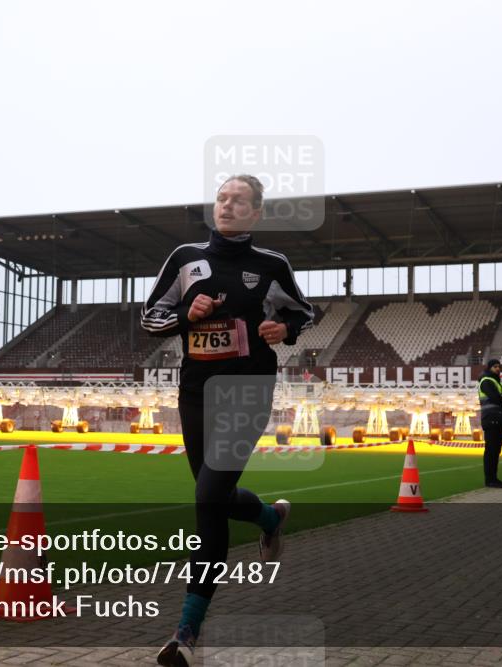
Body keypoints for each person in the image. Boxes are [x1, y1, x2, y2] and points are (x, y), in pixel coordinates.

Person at [141, 174, 314, 666]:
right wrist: (184, 315)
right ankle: (269, 517)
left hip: (248, 391)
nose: (227, 206)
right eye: (221, 198)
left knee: (207, 499)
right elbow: (149, 317)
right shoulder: (185, 259)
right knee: (213, 496)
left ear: (256, 213)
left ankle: (186, 634)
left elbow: (304, 311)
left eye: (239, 201)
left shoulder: (271, 265)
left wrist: (286, 327)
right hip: (195, 394)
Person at [477, 359, 502, 488]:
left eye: (498, 366)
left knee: (496, 451)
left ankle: (494, 478)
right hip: (491, 419)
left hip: (499, 419)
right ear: (489, 368)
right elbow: (497, 398)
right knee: (491, 451)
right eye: (495, 366)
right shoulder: (486, 381)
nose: (498, 368)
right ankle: (490, 480)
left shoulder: (498, 382)